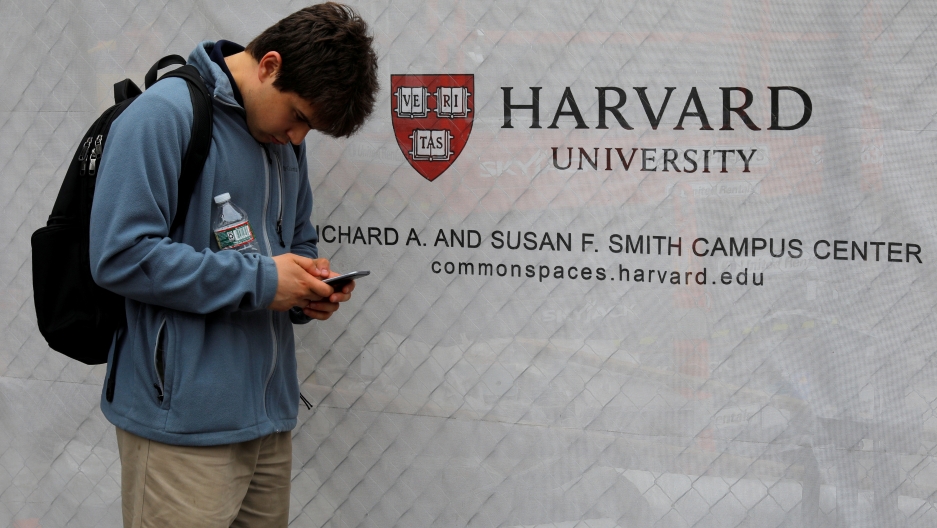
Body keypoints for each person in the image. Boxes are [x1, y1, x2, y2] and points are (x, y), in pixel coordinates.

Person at [88, 3, 379, 526]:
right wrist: (266, 280)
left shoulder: (280, 135)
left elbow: (297, 236)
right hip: (180, 426)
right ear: (269, 65)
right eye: (299, 118)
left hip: (267, 421)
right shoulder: (164, 114)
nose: (297, 140)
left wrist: (307, 284)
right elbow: (120, 255)